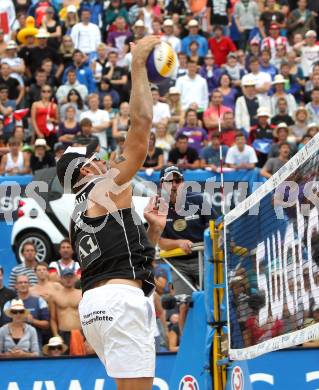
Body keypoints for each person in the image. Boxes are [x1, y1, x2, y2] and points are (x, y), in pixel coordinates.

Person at [56, 36, 166, 390]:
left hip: (96, 307)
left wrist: (152, 233)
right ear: (85, 172)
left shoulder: (79, 215)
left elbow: (121, 262)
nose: (103, 159)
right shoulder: (106, 186)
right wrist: (136, 64)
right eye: (94, 158)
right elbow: (141, 128)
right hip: (120, 303)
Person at [159, 165, 216, 330]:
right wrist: (178, 242)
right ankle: (187, 346)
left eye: (178, 180)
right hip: (178, 264)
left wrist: (207, 238)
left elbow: (215, 226)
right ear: (163, 184)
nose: (175, 184)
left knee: (212, 300)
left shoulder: (198, 199)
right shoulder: (158, 207)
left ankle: (217, 339)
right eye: (170, 181)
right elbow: (160, 242)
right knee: (184, 304)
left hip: (204, 258)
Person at [4, 275, 50, 346]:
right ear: (16, 286)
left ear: (29, 285)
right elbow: (4, 326)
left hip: (35, 343)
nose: (23, 284)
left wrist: (33, 321)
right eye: (20, 283)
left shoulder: (40, 301)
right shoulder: (8, 304)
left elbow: (47, 325)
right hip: (14, 345)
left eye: (25, 282)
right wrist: (18, 319)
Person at [49, 269, 82, 348]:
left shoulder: (81, 294)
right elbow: (53, 318)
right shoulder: (54, 296)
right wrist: (56, 335)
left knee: (81, 359)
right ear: (61, 279)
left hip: (80, 333)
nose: (68, 279)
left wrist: (86, 335)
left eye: (71, 276)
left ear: (75, 278)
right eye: (66, 277)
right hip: (63, 333)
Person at [30, 84, 59, 149]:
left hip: (51, 133)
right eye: (44, 91)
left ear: (51, 93)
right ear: (41, 93)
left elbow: (58, 121)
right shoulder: (35, 104)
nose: (46, 93)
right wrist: (38, 133)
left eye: (48, 91)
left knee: (50, 153)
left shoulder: (54, 106)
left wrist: (53, 120)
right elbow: (33, 120)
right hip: (39, 133)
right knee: (38, 152)